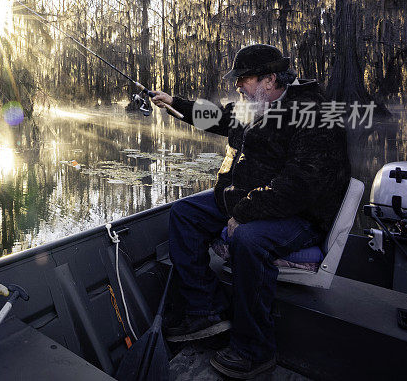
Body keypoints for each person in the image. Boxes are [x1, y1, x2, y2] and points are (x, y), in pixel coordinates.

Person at [150, 44, 351, 379]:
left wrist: (243, 212)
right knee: (185, 213)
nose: (237, 85)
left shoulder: (313, 113)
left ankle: (255, 350)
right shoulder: (256, 105)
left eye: (243, 78)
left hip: (301, 215)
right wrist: (174, 103)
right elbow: (220, 119)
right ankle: (205, 311)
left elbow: (301, 185)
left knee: (248, 238)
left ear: (270, 79)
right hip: (251, 198)